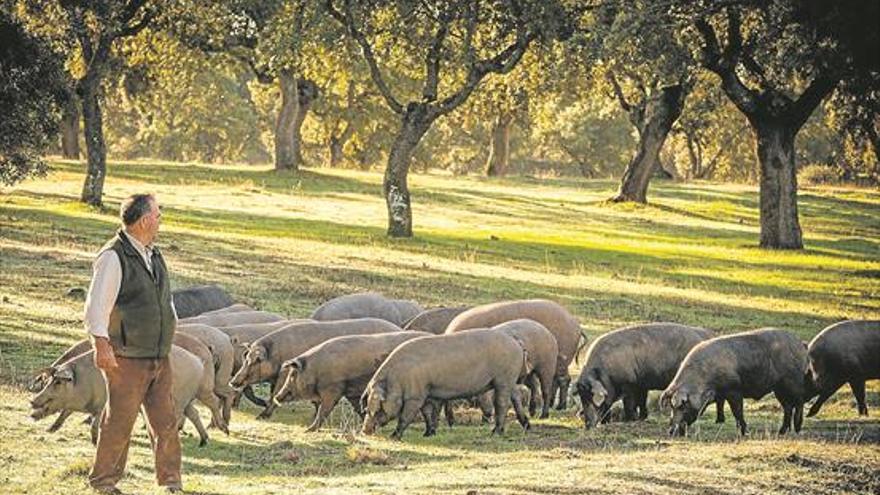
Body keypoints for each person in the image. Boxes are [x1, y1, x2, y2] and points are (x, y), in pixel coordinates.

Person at [84, 193, 182, 494]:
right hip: (126, 357)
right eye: (157, 215)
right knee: (119, 423)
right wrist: (101, 345)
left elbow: (164, 300)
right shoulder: (113, 256)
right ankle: (103, 482)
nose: (160, 220)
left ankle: (170, 482)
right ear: (143, 221)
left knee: (166, 421)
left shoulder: (153, 254)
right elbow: (95, 307)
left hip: (157, 356)